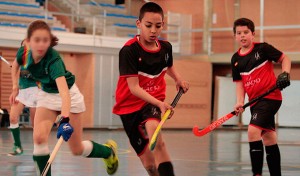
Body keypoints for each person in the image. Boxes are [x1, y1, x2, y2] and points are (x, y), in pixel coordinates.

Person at [10, 20, 118, 176]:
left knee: (77, 149)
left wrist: (64, 120)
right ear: (28, 41)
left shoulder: (54, 60)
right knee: (39, 138)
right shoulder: (23, 53)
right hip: (46, 94)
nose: (41, 45)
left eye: (45, 40)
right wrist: (15, 87)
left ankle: (108, 152)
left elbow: (64, 93)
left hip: (69, 96)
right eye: (36, 40)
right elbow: (15, 65)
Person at [113, 2, 189, 176]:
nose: (153, 30)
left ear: (163, 24)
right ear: (139, 24)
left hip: (153, 100)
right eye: (148, 25)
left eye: (158, 25)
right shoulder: (129, 51)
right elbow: (133, 88)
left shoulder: (166, 48)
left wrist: (178, 79)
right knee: (149, 165)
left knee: (157, 136)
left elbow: (168, 66)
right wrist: (161, 104)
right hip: (128, 106)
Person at [231, 18, 291, 176]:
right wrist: (239, 102)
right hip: (255, 103)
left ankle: (256, 174)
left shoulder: (263, 49)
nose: (242, 36)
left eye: (246, 32)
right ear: (235, 36)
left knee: (252, 131)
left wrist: (285, 73)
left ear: (253, 34)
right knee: (269, 138)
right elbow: (239, 83)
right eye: (239, 33)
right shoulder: (235, 59)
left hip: (271, 98)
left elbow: (285, 58)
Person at [8, 40, 39, 156]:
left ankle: (38, 149)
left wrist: (26, 72)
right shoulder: (21, 56)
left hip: (36, 90)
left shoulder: (38, 57)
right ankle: (18, 147)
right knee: (12, 118)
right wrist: (17, 70)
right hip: (22, 90)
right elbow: (16, 69)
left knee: (35, 124)